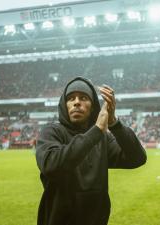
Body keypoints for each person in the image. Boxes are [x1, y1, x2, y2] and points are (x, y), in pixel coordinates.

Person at [35, 77, 147, 225]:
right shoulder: (52, 131)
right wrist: (96, 131)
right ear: (64, 105)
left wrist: (114, 123)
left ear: (93, 107)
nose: (76, 102)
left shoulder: (102, 139)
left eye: (83, 98)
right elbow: (51, 164)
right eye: (70, 98)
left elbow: (137, 158)